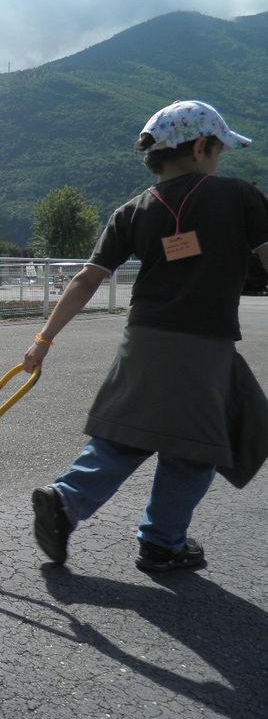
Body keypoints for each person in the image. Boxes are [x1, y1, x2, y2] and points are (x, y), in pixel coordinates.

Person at [24, 100, 268, 573]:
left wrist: (43, 340)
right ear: (200, 147)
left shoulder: (132, 211)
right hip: (203, 343)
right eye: (218, 150)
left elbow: (85, 280)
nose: (219, 160)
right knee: (195, 447)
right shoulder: (240, 196)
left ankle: (65, 501)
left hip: (143, 340)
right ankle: (162, 542)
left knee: (128, 434)